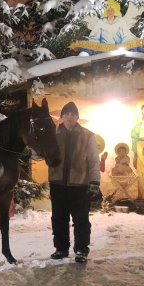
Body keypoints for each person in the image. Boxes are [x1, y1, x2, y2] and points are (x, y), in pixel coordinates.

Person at [48, 102, 100, 264]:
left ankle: (81, 250)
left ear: (77, 117)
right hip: (57, 183)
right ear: (61, 117)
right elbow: (39, 153)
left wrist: (95, 182)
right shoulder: (52, 135)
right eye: (66, 114)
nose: (70, 116)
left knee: (81, 219)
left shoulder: (88, 136)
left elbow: (93, 161)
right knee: (58, 218)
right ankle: (61, 249)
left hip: (80, 184)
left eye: (73, 114)